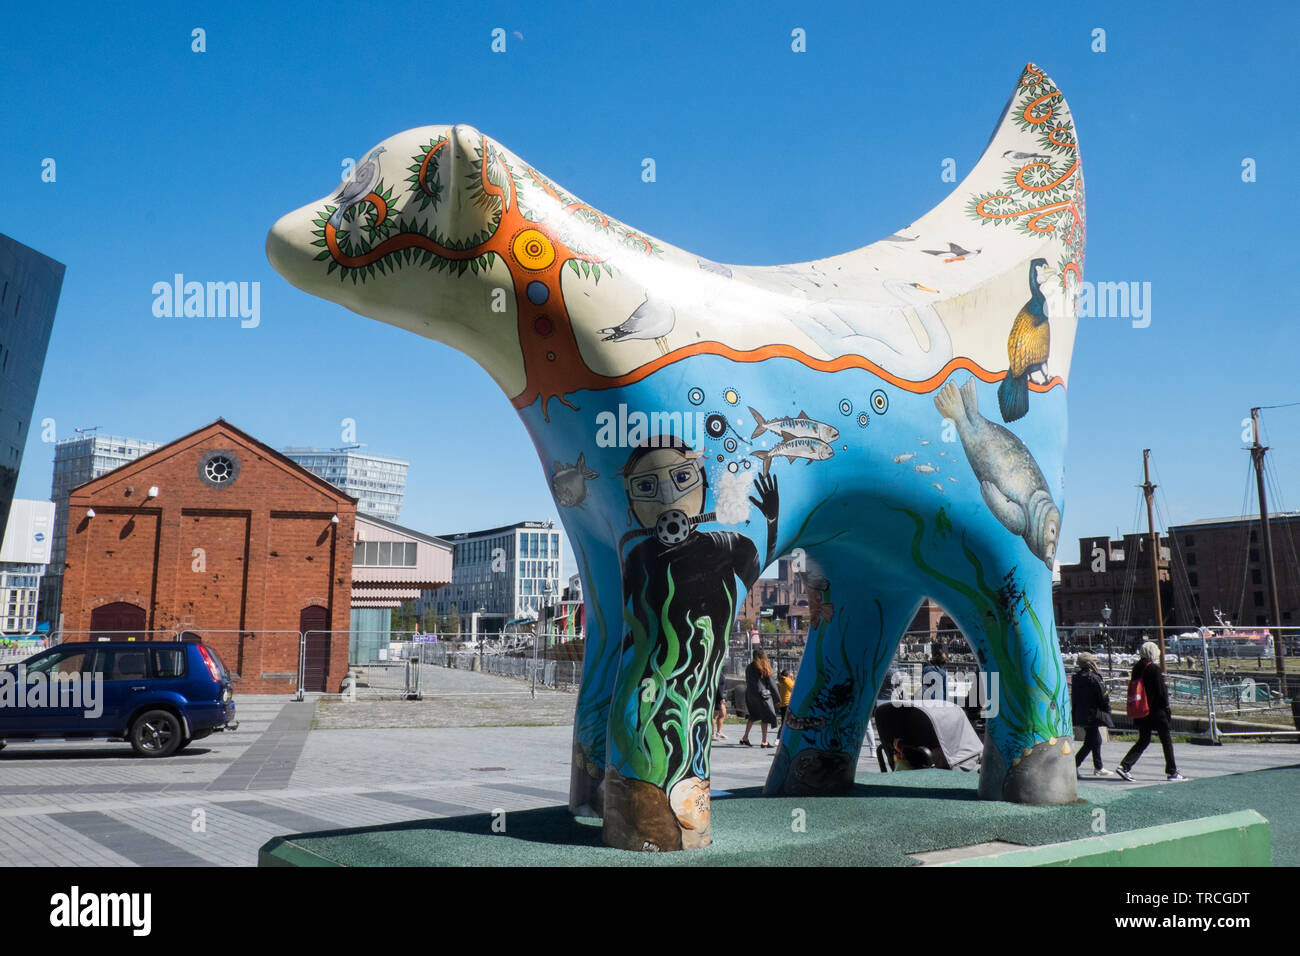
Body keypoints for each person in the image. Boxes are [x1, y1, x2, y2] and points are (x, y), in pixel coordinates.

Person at [1117, 641, 1188, 782]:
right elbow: (1161, 693)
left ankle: (1125, 765)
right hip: (1156, 710)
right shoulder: (1154, 669)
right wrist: (1167, 709)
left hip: (1142, 710)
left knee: (1143, 739)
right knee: (1166, 740)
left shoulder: (1137, 668)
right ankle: (1172, 771)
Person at [1071, 652, 1114, 776]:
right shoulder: (1094, 678)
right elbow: (1103, 696)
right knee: (1090, 742)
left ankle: (1098, 767)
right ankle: (1074, 765)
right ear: (1090, 664)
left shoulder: (1076, 678)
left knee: (1096, 740)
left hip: (1081, 713)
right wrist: (1107, 710)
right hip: (1093, 714)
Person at [741, 648, 781, 748]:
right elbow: (771, 683)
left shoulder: (749, 667)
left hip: (750, 694)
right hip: (763, 695)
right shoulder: (764, 666)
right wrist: (777, 698)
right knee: (766, 717)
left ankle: (745, 737)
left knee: (753, 715)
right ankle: (764, 741)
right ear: (763, 656)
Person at [712, 673, 728, 740]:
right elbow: (718, 687)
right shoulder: (716, 673)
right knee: (715, 716)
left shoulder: (721, 673)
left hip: (721, 696)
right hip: (717, 697)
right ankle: (713, 734)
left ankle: (719, 732)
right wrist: (721, 698)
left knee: (723, 714)